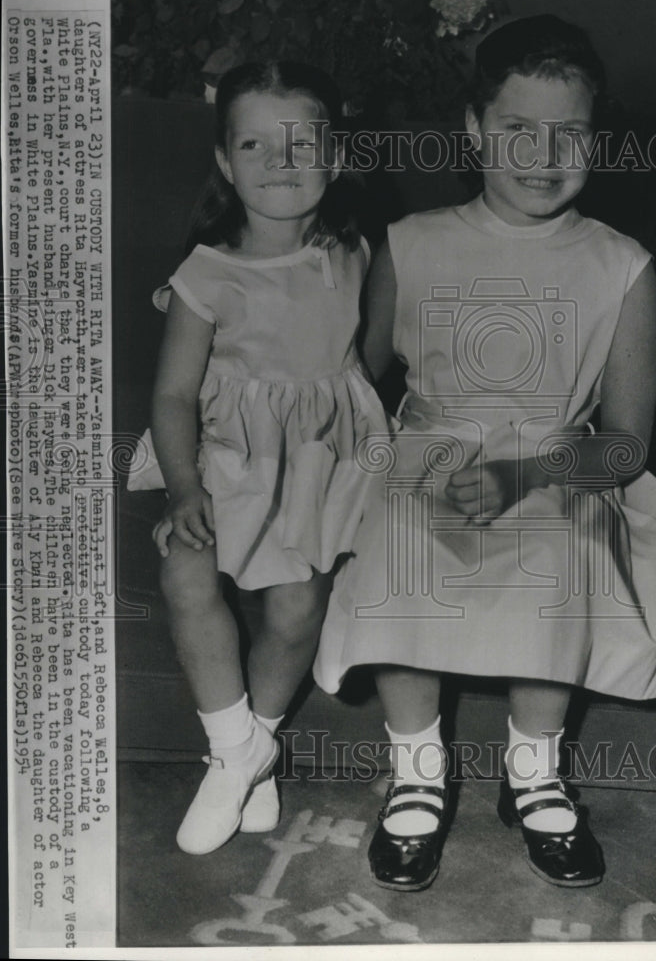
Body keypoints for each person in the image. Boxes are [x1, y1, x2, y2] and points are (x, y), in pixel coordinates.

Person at [313, 15, 656, 891]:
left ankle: (534, 771)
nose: (543, 153)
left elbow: (625, 447)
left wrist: (525, 474)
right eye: (516, 129)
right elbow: (356, 377)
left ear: (596, 138)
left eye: (569, 132)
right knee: (399, 534)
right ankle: (419, 770)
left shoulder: (623, 266)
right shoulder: (413, 241)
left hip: (560, 461)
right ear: (473, 130)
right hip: (428, 446)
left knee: (566, 544)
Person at [129, 61, 387, 855]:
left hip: (312, 459)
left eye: (302, 143)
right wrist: (182, 487)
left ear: (336, 155)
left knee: (296, 608)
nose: (280, 162)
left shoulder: (355, 250)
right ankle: (238, 754)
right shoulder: (206, 274)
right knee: (184, 571)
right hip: (226, 455)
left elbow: (367, 362)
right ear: (224, 163)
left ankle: (251, 750)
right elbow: (173, 396)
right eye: (254, 143)